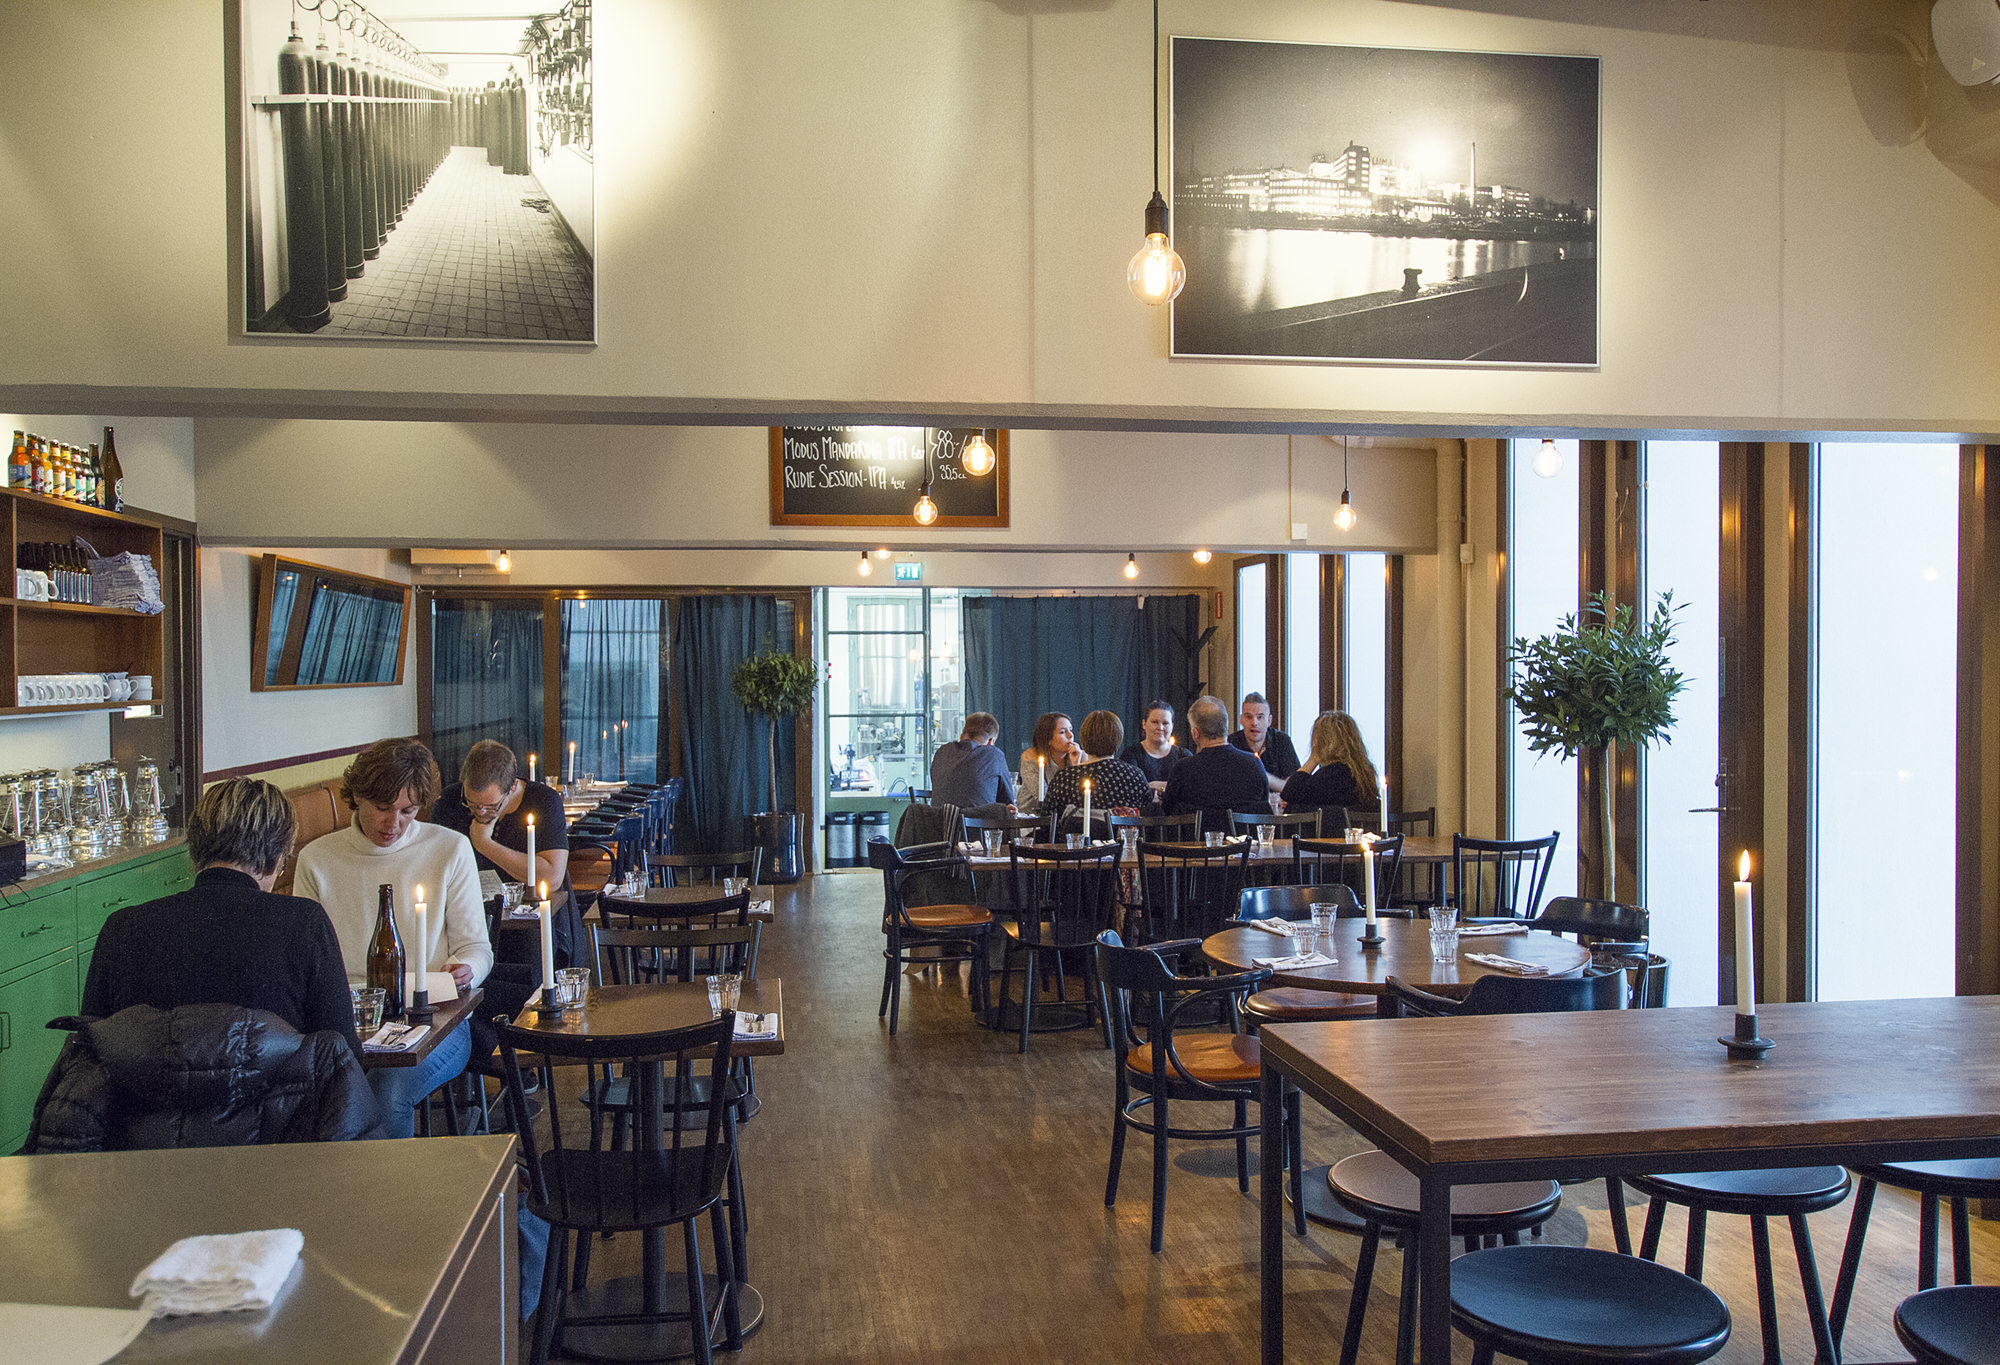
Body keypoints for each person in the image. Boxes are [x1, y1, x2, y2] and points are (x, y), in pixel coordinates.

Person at [293, 737, 490, 1140]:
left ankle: (386, 1182)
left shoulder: (449, 848)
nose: (394, 823)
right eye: (383, 808)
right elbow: (302, 962)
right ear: (356, 797)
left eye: (407, 811)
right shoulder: (317, 859)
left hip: (436, 1025)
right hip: (347, 1023)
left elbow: (476, 947)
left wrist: (468, 968)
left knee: (385, 1092)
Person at [82, 777, 361, 1058]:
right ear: (276, 860)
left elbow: (89, 1051)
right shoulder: (304, 923)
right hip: (275, 1088)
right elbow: (342, 1054)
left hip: (151, 1088)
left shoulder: (123, 928)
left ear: (195, 850)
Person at [429, 739, 580, 967]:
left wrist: (484, 844)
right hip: (471, 920)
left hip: (533, 923)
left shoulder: (543, 801)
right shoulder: (450, 802)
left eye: (491, 806)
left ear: (512, 787)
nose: (480, 812)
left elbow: (551, 877)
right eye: (472, 803)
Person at [1162, 695, 1273, 835]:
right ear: (1226, 726)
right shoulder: (1254, 764)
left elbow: (1168, 812)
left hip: (1196, 847)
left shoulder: (1183, 769)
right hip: (1246, 846)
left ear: (1196, 733)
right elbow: (1263, 809)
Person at [1042, 709, 1152, 829]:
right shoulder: (1135, 776)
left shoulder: (1065, 778)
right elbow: (1148, 818)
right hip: (1122, 840)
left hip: (1076, 840)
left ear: (1084, 738)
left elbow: (1047, 823)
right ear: (1118, 738)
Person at [1280, 710, 1381, 822]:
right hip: (1357, 830)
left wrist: (1313, 759)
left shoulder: (1334, 773)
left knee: (1294, 809)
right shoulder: (1361, 772)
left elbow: (1289, 792)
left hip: (1330, 832)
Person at [928, 712, 1017, 816]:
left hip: (937, 824)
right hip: (976, 824)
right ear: (990, 741)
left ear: (962, 735)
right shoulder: (994, 754)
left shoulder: (941, 752)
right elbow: (1008, 804)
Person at [1230, 692, 1301, 794]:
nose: (1254, 723)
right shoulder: (1231, 744)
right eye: (1249, 717)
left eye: (1260, 717)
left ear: (1269, 721)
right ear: (1241, 720)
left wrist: (1262, 775)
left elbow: (1294, 786)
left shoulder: (1281, 741)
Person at [1118, 699, 1187, 797]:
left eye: (1165, 723)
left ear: (1172, 726)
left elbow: (1189, 789)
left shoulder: (1184, 756)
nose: (1160, 728)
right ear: (1144, 724)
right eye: (1155, 722)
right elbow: (1129, 792)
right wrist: (1172, 786)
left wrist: (1152, 786)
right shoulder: (1130, 755)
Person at [1017, 711, 1081, 813]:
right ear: (1048, 739)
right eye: (1062, 732)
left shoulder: (1078, 755)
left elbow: (1082, 796)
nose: (1070, 735)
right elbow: (1043, 795)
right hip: (1032, 816)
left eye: (1070, 730)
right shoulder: (1031, 757)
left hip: (1066, 816)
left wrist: (1076, 765)